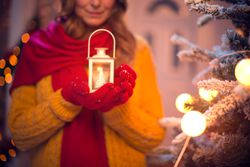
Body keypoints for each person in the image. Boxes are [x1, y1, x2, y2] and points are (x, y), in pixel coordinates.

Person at [8, 0, 165, 167]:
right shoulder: (39, 47)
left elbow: (153, 136)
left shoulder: (136, 49)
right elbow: (20, 135)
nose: (95, 3)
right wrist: (65, 101)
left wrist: (114, 108)